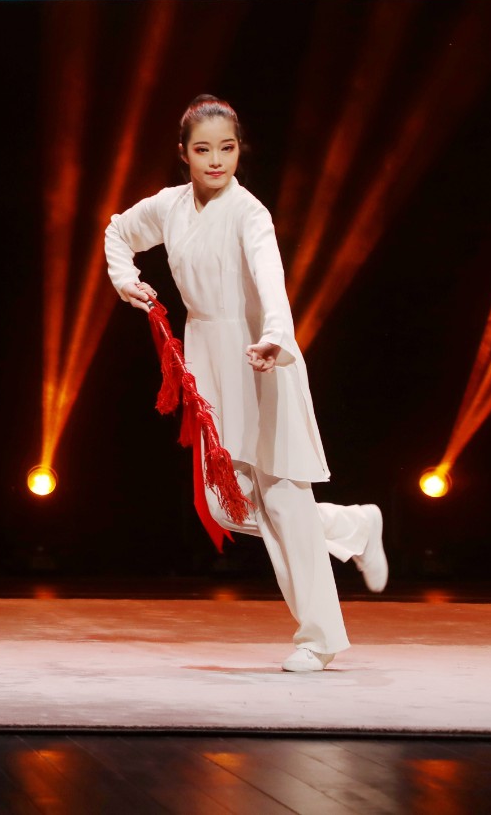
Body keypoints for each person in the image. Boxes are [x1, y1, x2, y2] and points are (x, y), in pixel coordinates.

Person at [104, 95, 388, 672]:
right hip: (207, 358)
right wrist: (126, 280)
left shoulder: (249, 214)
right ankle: (352, 524)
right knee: (225, 504)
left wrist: (276, 337)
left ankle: (319, 638)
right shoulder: (170, 206)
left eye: (227, 148)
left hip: (259, 354)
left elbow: (270, 279)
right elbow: (117, 232)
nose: (216, 160)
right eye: (203, 150)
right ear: (184, 153)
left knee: (283, 498)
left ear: (239, 150)